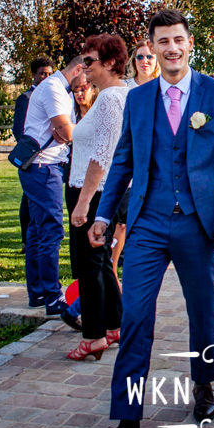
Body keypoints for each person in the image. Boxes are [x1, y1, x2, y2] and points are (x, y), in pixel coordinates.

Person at [83, 9, 214, 428]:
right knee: (135, 319)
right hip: (149, 225)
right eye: (162, 41)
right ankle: (127, 425)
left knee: (202, 310)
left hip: (198, 224)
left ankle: (203, 382)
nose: (171, 48)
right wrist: (102, 215)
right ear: (151, 47)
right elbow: (122, 163)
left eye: (178, 40)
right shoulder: (137, 100)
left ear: (189, 44)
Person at [65, 34, 130, 362]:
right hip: (103, 190)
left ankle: (93, 337)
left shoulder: (109, 99)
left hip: (95, 191)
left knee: (90, 266)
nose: (83, 67)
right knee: (102, 261)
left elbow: (103, 154)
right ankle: (116, 325)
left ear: (109, 63)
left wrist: (83, 201)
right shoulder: (113, 95)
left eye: (89, 61)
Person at [20, 53, 88, 316]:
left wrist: (65, 131)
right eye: (86, 75)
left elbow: (64, 132)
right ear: (78, 69)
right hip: (43, 168)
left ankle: (37, 292)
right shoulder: (54, 88)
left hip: (43, 167)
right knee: (51, 231)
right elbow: (66, 132)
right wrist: (68, 131)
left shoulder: (60, 89)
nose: (88, 83)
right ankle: (52, 296)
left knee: (37, 232)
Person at [14, 57, 54, 250]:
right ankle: (26, 239)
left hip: (51, 155)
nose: (46, 77)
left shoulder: (55, 95)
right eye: (42, 73)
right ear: (34, 75)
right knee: (28, 198)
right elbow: (19, 129)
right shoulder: (26, 98)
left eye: (49, 73)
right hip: (31, 154)